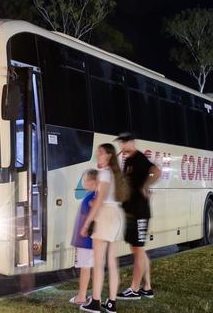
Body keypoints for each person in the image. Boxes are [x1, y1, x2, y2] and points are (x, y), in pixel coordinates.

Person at [80, 144, 129, 313]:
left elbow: (100, 200)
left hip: (105, 216)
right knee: (112, 262)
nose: (97, 155)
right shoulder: (116, 173)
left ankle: (95, 302)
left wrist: (87, 223)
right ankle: (112, 303)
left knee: (98, 263)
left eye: (100, 152)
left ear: (108, 156)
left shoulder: (104, 173)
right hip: (116, 215)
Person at [115, 132, 161, 300]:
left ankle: (134, 289)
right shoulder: (127, 160)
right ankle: (147, 287)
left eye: (124, 143)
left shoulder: (140, 158)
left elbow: (156, 171)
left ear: (132, 142)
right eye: (120, 143)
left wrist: (146, 185)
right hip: (131, 211)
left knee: (138, 249)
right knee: (138, 249)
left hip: (140, 212)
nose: (122, 146)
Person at [69, 169, 98, 305]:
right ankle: (92, 294)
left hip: (86, 240)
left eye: (86, 180)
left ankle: (81, 296)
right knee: (89, 267)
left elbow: (96, 211)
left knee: (85, 267)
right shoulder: (92, 195)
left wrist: (86, 228)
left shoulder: (93, 196)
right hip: (87, 240)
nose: (84, 182)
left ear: (93, 182)